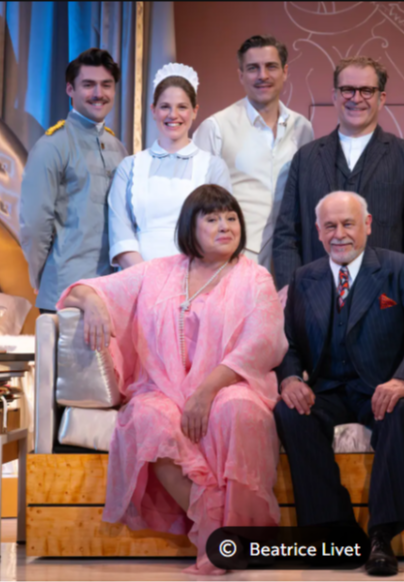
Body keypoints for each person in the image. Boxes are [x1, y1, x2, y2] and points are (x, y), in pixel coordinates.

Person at [58, 186, 288, 575]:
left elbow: (262, 343)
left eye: (231, 218)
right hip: (163, 389)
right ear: (190, 228)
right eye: (212, 219)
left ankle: (243, 535)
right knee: (146, 419)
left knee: (238, 411)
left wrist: (206, 391)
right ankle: (213, 529)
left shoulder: (255, 277)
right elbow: (80, 291)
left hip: (230, 384)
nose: (225, 226)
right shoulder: (158, 271)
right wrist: (93, 303)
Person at [274, 191, 404, 577]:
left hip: (384, 387)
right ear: (318, 231)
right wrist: (289, 377)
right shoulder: (303, 277)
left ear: (367, 225)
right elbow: (288, 343)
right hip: (328, 390)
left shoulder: (400, 269)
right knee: (289, 412)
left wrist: (402, 380)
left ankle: (382, 536)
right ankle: (336, 530)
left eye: (348, 224)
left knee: (398, 412)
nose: (339, 234)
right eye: (330, 226)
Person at [272, 56, 404, 290]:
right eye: (347, 90)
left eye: (367, 90)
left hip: (385, 299)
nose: (356, 98)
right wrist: (291, 290)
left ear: (381, 98)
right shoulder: (305, 158)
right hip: (315, 298)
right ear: (334, 96)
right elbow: (286, 236)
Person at [20, 48, 128, 313]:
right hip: (65, 292)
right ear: (70, 89)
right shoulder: (52, 146)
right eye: (88, 85)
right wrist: (40, 276)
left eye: (106, 85)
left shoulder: (118, 148)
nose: (98, 93)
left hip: (113, 293)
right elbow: (34, 224)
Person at [194, 35, 314, 267]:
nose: (263, 75)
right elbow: (197, 202)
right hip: (235, 255)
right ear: (241, 75)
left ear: (285, 72)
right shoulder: (215, 127)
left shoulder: (303, 128)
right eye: (253, 68)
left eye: (271, 66)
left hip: (291, 255)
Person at [108, 63, 232, 268]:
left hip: (196, 276)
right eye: (165, 106)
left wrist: (190, 279)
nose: (173, 115)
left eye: (182, 107)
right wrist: (147, 278)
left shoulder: (214, 167)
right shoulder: (129, 167)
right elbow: (120, 233)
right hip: (138, 277)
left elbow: (221, 231)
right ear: (153, 110)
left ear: (195, 111)